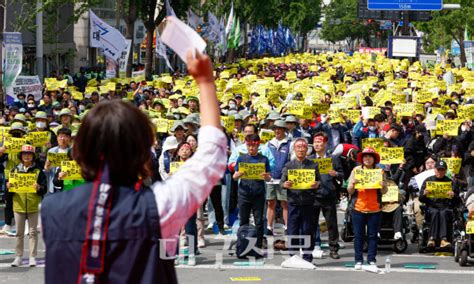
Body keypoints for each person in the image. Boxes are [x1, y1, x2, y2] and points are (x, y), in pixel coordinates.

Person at [41, 50, 227, 283]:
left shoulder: (50, 209)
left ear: (80, 150)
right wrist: (206, 82)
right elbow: (212, 153)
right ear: (142, 152)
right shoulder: (160, 204)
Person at [347, 147, 388, 271]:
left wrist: (383, 185)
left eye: (370, 156)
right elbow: (349, 190)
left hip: (375, 209)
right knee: (358, 236)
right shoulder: (356, 170)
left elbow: (384, 191)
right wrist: (353, 184)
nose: (367, 158)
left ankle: (371, 260)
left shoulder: (380, 172)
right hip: (358, 208)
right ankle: (358, 260)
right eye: (365, 156)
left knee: (373, 236)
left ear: (374, 159)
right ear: (362, 158)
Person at [280, 138, 320, 263]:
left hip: (308, 202)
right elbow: (281, 182)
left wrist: (317, 184)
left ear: (307, 149)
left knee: (308, 229)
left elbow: (319, 181)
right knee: (293, 229)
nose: (301, 149)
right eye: (298, 147)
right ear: (294, 149)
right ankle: (293, 256)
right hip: (293, 202)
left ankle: (307, 256)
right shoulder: (289, 165)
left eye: (303, 147)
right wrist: (285, 184)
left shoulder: (313, 165)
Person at [8, 145, 47, 267]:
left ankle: (32, 257)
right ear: (21, 156)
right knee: (19, 233)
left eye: (29, 154)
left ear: (33, 156)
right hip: (18, 205)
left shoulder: (38, 171)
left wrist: (39, 188)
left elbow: (44, 188)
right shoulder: (14, 171)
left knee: (33, 232)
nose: (27, 156)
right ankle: (18, 257)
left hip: (33, 205)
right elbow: (10, 192)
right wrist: (9, 187)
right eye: (24, 154)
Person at [233, 134, 271, 252]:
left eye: (254, 145)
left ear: (258, 145)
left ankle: (258, 245)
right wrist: (237, 175)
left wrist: (266, 177)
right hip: (244, 193)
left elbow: (269, 178)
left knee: (259, 221)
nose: (251, 148)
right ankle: (242, 244)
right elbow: (234, 176)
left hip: (258, 194)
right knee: (243, 221)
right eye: (249, 145)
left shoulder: (263, 159)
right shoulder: (241, 158)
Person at [308, 132, 343, 259]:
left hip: (329, 194)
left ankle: (334, 248)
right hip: (313, 196)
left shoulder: (333, 158)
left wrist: (336, 174)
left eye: (319, 142)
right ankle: (310, 248)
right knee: (312, 223)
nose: (317, 145)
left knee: (331, 224)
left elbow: (341, 174)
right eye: (315, 142)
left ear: (325, 144)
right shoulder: (310, 159)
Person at [419, 160, 458, 248]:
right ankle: (431, 239)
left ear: (445, 170)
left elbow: (457, 200)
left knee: (443, 213)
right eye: (438, 170)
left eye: (442, 170)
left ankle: (443, 239)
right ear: (435, 169)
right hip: (432, 205)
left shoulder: (450, 182)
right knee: (435, 212)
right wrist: (424, 194)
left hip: (445, 206)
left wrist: (453, 195)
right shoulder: (428, 181)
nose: (440, 172)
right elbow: (420, 198)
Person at [264, 120, 290, 236]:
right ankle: (269, 227)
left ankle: (287, 227)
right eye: (275, 128)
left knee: (285, 203)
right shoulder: (268, 143)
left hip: (284, 179)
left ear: (284, 130)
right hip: (271, 178)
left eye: (280, 128)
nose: (277, 130)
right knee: (270, 203)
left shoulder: (290, 143)